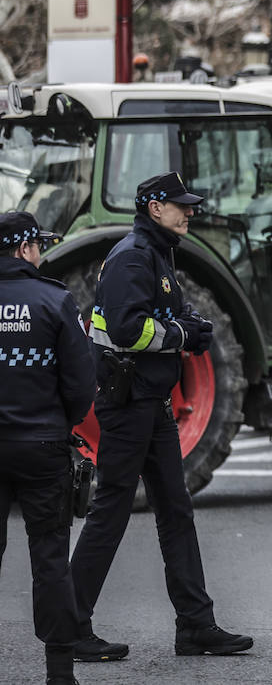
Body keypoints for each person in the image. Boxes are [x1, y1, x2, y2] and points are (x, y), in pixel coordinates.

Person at [68, 172, 253, 662]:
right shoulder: (133, 257)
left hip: (150, 403)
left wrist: (185, 327)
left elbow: (186, 318)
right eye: (179, 205)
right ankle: (69, 626)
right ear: (154, 207)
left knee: (176, 511)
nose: (188, 211)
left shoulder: (158, 255)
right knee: (110, 512)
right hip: (129, 406)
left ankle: (196, 626)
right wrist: (179, 333)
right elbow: (129, 329)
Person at [0, 211, 97, 685]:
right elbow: (82, 385)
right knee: (50, 558)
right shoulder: (55, 301)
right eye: (37, 245)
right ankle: (60, 674)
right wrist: (61, 422)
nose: (41, 252)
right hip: (42, 445)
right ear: (23, 249)